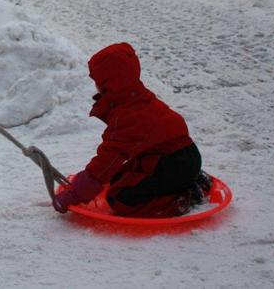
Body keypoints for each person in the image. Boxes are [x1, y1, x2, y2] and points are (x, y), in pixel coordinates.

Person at [52, 43, 209, 218]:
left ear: (108, 83)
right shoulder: (134, 97)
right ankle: (187, 179)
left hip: (174, 163)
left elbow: (106, 162)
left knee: (122, 200)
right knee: (117, 180)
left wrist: (74, 195)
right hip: (170, 156)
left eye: (98, 81)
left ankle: (184, 196)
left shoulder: (128, 116)